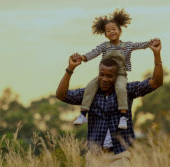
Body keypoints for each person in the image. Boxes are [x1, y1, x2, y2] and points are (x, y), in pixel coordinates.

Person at [56, 39, 163, 167]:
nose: (105, 79)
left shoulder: (126, 91)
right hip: (95, 157)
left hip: (119, 156)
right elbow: (61, 95)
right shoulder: (90, 94)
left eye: (109, 76)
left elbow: (156, 82)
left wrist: (157, 54)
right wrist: (70, 68)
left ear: (117, 76)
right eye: (102, 74)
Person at [73, 8, 156, 130]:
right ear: (105, 34)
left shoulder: (127, 45)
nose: (111, 32)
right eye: (108, 31)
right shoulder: (104, 46)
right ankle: (83, 114)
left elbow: (140, 45)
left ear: (120, 30)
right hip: (104, 75)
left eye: (114, 29)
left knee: (121, 88)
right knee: (90, 86)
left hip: (120, 74)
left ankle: (123, 116)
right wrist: (83, 57)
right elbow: (94, 52)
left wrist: (151, 43)